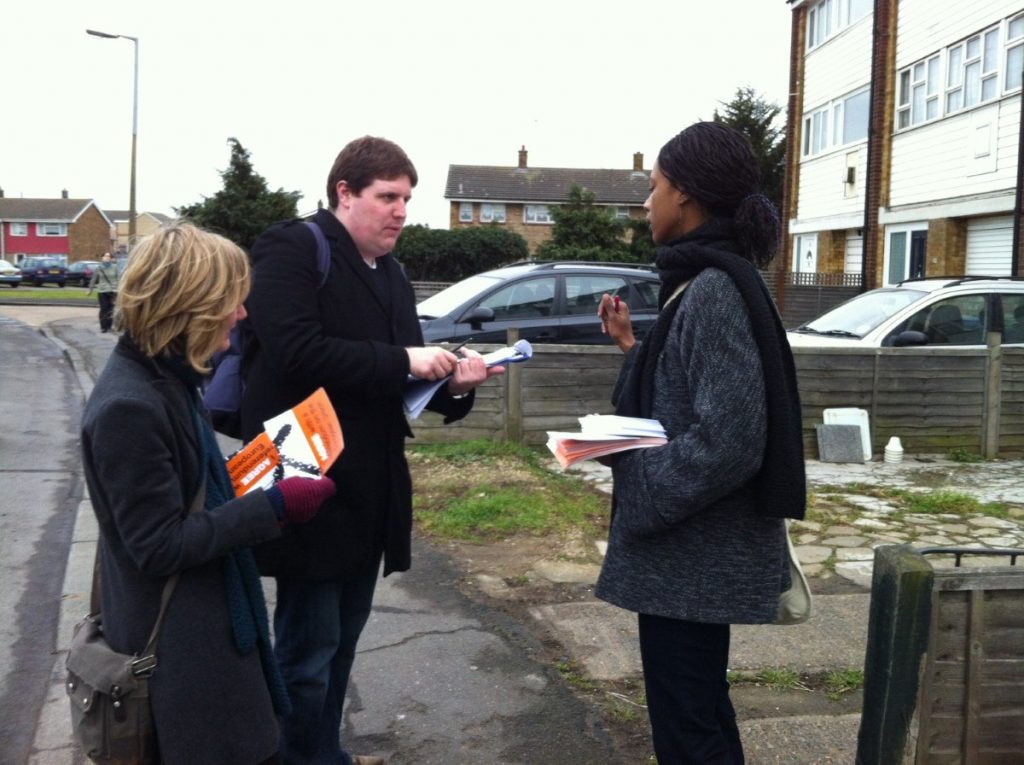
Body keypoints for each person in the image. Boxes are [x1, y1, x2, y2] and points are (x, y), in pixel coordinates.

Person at [241, 136, 502, 765]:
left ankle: (322, 752)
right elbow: (295, 350)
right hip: (305, 478)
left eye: (406, 199)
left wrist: (456, 385)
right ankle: (296, 758)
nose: (401, 212)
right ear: (344, 194)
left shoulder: (393, 273)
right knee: (306, 651)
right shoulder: (294, 248)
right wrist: (404, 359)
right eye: (387, 197)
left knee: (344, 643)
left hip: (371, 489)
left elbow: (407, 376)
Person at [80, 222, 338, 765]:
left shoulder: (168, 378)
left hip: (206, 635)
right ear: (188, 305)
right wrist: (275, 505)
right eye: (231, 301)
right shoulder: (129, 406)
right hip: (181, 657)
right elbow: (158, 544)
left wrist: (264, 462)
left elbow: (190, 481)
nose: (242, 314)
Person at [595, 121, 806, 764]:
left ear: (684, 195)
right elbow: (689, 390)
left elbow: (733, 438)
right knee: (701, 716)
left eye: (654, 187)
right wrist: (634, 349)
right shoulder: (706, 280)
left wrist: (645, 489)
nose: (647, 202)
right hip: (689, 558)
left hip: (690, 557)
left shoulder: (714, 290)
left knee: (689, 733)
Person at [88, 252, 120, 333]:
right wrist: (90, 289)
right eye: (105, 256)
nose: (107, 257)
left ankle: (109, 326)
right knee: (104, 308)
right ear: (102, 258)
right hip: (102, 291)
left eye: (109, 256)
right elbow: (94, 279)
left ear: (111, 258)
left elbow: (119, 278)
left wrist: (120, 288)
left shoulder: (115, 267)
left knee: (111, 309)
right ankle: (103, 326)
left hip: (113, 290)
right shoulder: (99, 268)